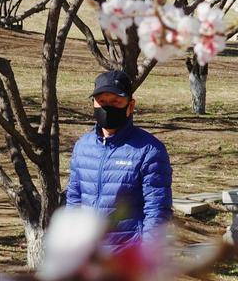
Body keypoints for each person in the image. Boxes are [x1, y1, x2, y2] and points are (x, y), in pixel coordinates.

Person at [65, 69, 173, 248]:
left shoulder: (149, 150)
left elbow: (157, 211)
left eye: (116, 102)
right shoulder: (83, 146)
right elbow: (74, 199)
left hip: (126, 258)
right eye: (102, 102)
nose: (108, 107)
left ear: (130, 106)